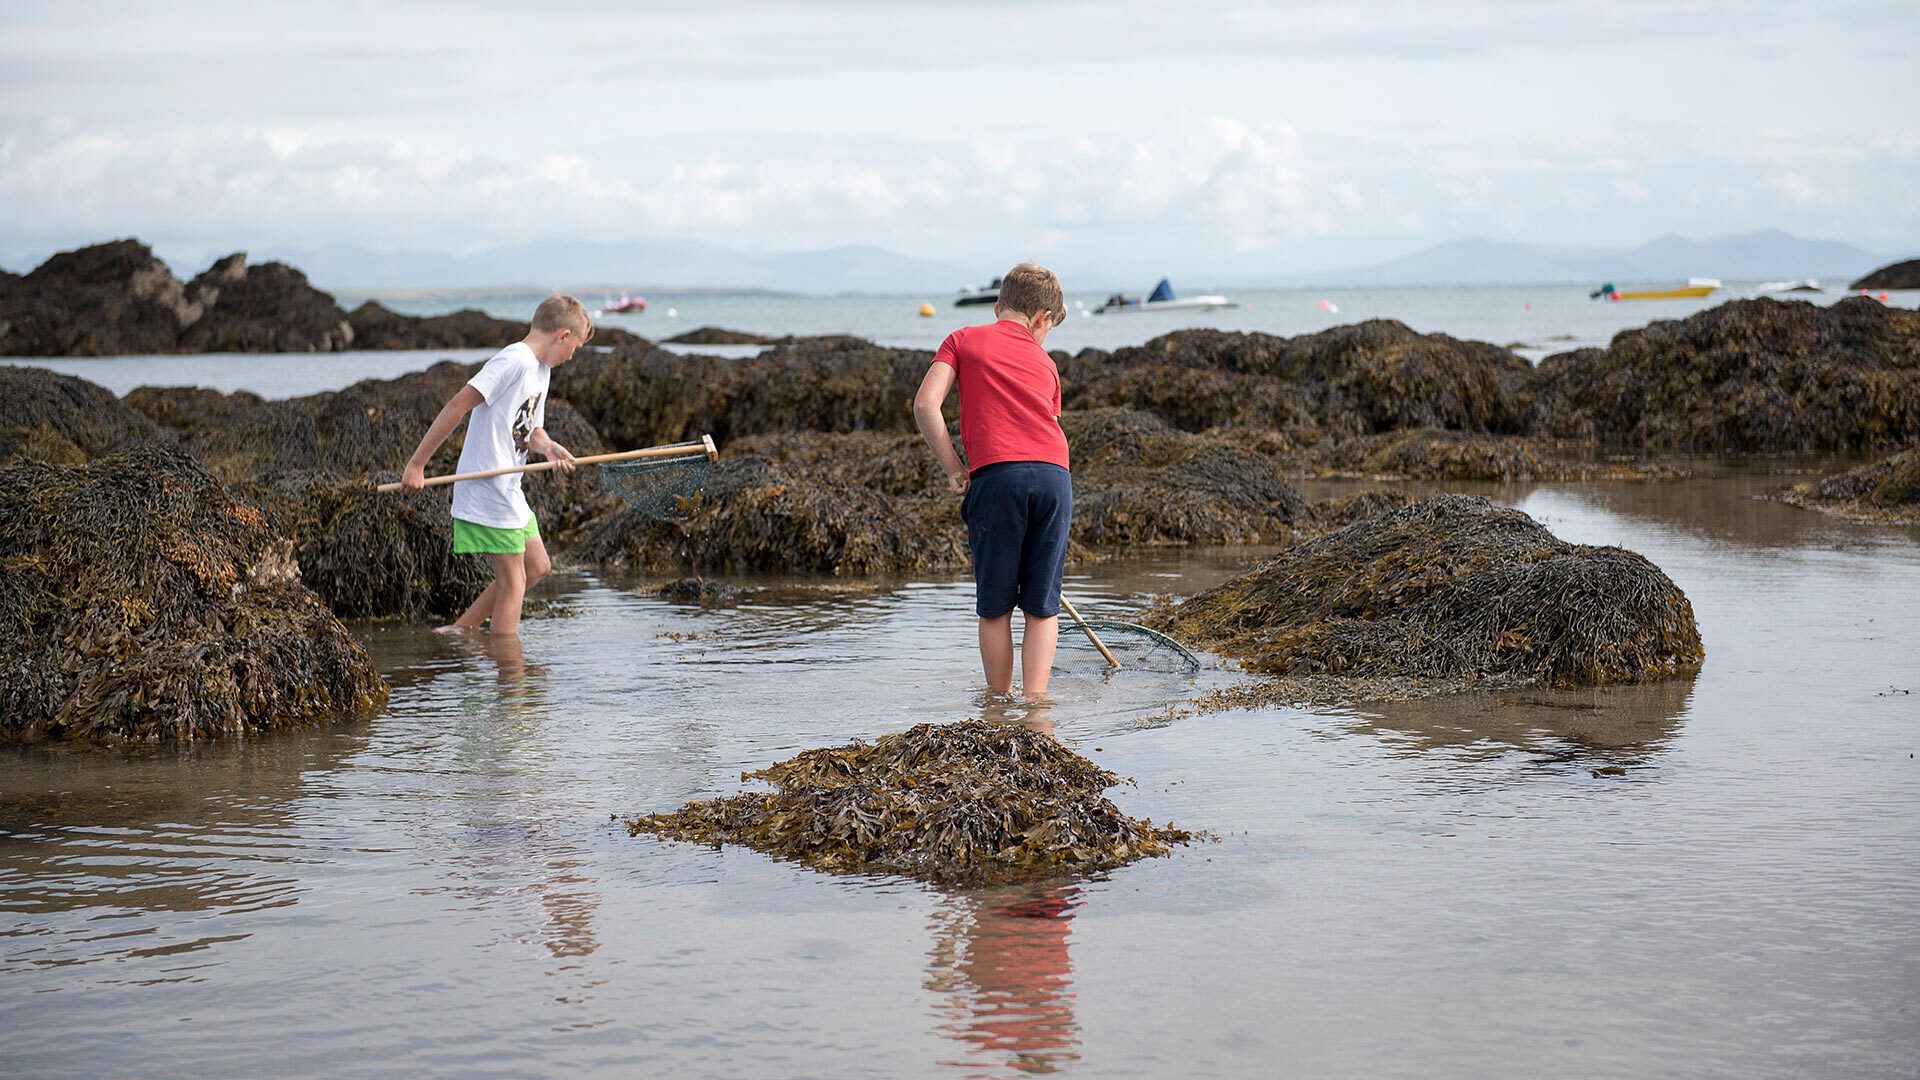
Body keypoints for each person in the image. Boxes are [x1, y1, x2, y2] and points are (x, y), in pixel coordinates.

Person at [913, 262, 1070, 700]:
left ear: (1000, 304)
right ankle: (1037, 709)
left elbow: (926, 406)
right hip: (1055, 478)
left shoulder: (962, 339)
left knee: (996, 607)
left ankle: (999, 708)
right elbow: (1048, 422)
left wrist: (954, 469)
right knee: (1042, 608)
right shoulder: (1046, 361)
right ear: (1042, 319)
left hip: (998, 479)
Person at [400, 294, 591, 636]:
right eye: (573, 347)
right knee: (514, 581)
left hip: (509, 487)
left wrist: (547, 446)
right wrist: (417, 464)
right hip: (487, 485)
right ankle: (510, 674)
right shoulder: (513, 360)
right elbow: (457, 405)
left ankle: (460, 633)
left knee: (537, 567)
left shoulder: (541, 371)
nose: (571, 357)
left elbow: (529, 428)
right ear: (562, 335)